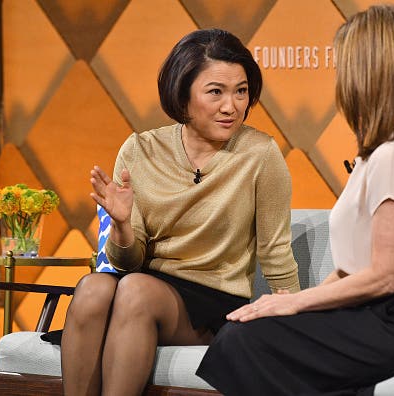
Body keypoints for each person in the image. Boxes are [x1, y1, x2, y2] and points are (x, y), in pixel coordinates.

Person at [196, 5, 394, 396]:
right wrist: (290, 303)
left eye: (344, 65)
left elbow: (386, 275)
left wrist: (294, 304)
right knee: (247, 332)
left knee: (246, 342)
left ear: (366, 72)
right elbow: (350, 269)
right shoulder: (378, 154)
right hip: (385, 315)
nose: (339, 78)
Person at [58, 28, 300, 395]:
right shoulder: (140, 150)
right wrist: (122, 225)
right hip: (141, 282)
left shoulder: (260, 155)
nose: (231, 106)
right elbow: (127, 261)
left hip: (212, 300)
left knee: (136, 291)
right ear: (182, 95)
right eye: (216, 92)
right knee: (91, 288)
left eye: (241, 91)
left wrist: (295, 323)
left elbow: (276, 251)